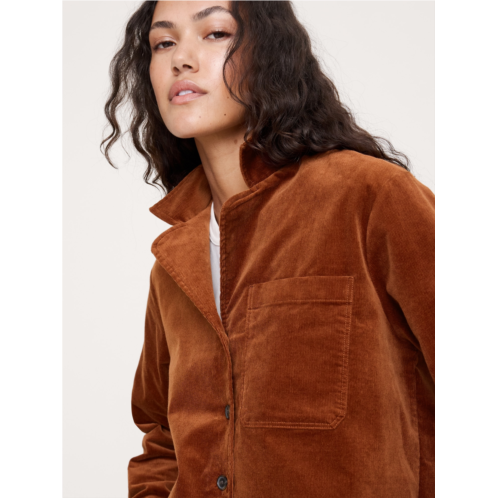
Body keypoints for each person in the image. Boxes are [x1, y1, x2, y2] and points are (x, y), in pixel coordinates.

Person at [102, 1, 436, 497]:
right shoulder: (174, 262)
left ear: (271, 52)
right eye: (163, 43)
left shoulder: (370, 198)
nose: (181, 59)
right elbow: (162, 438)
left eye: (215, 33)